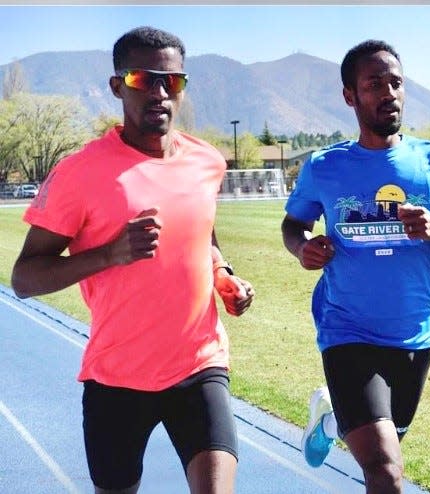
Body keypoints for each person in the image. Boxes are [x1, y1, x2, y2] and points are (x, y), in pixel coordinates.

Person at [11, 26, 254, 494]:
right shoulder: (79, 172)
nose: (161, 93)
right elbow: (24, 278)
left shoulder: (206, 161)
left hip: (199, 364)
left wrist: (223, 275)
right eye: (145, 80)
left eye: (173, 81)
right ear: (117, 85)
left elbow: (203, 234)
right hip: (116, 379)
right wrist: (110, 253)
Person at [281, 39, 430, 493]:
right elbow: (293, 224)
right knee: (386, 468)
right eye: (375, 84)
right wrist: (302, 249)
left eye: (395, 82)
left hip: (415, 331)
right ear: (350, 96)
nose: (388, 92)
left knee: (388, 436)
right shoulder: (325, 167)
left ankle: (332, 422)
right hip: (346, 329)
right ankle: (343, 418)